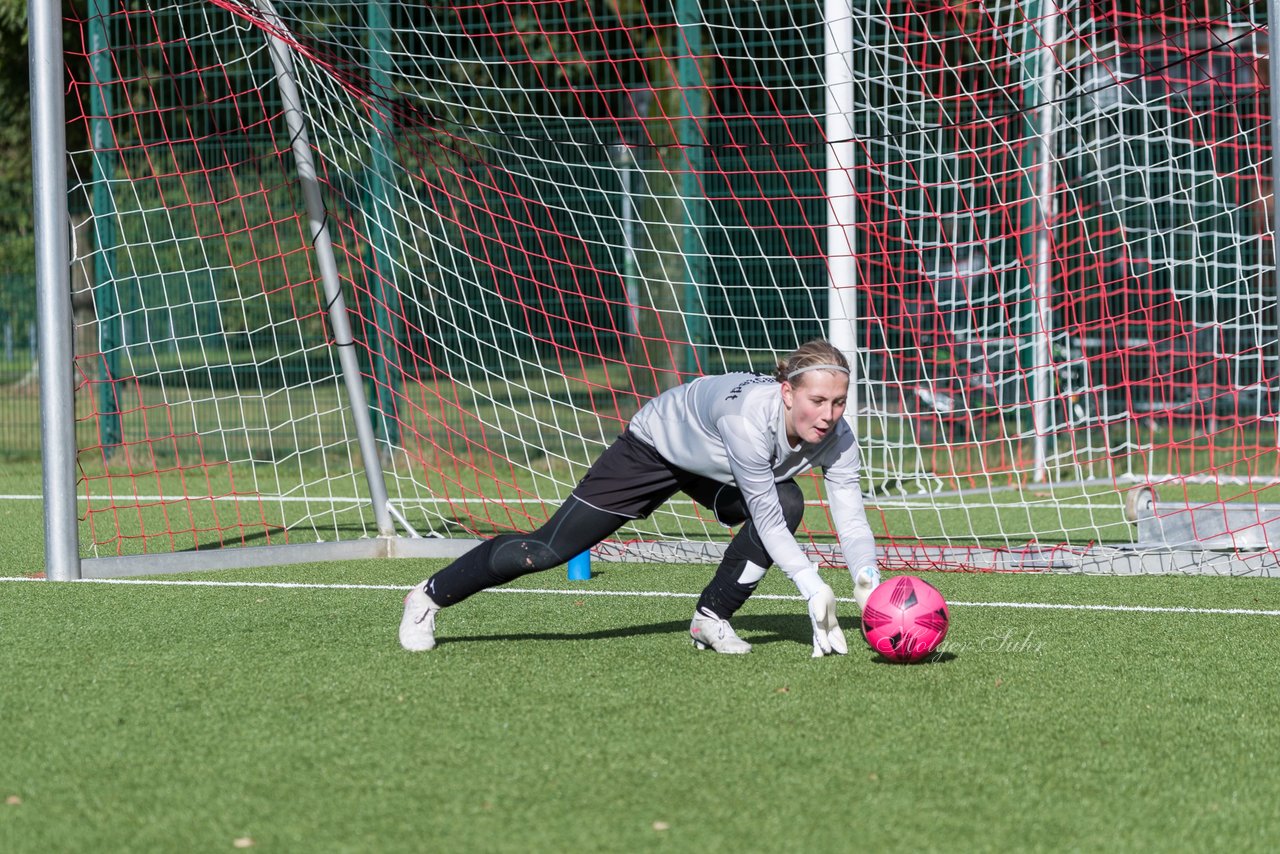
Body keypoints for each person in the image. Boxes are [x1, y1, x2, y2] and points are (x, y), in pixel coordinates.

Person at [399, 339, 881, 657]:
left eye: (838, 402)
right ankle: (426, 597)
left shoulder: (839, 438)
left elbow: (852, 518)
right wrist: (811, 583)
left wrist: (865, 579)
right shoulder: (748, 421)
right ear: (787, 393)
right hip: (656, 447)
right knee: (544, 550)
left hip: (717, 467)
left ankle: (711, 618)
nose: (828, 414)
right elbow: (766, 517)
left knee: (790, 501)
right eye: (817, 401)